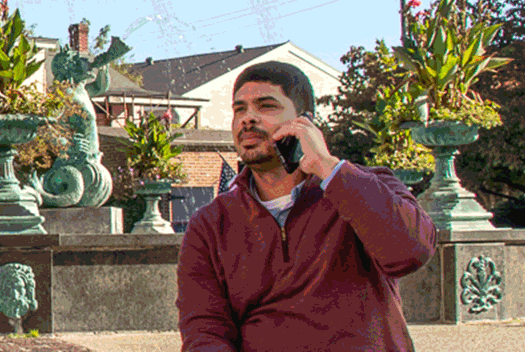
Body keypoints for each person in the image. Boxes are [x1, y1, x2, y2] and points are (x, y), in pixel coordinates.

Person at [177, 61, 437, 351]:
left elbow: (410, 253)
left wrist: (327, 167)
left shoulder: (366, 186)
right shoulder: (211, 224)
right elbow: (204, 328)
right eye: (240, 109)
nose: (248, 119)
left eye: (265, 106)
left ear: (306, 122)